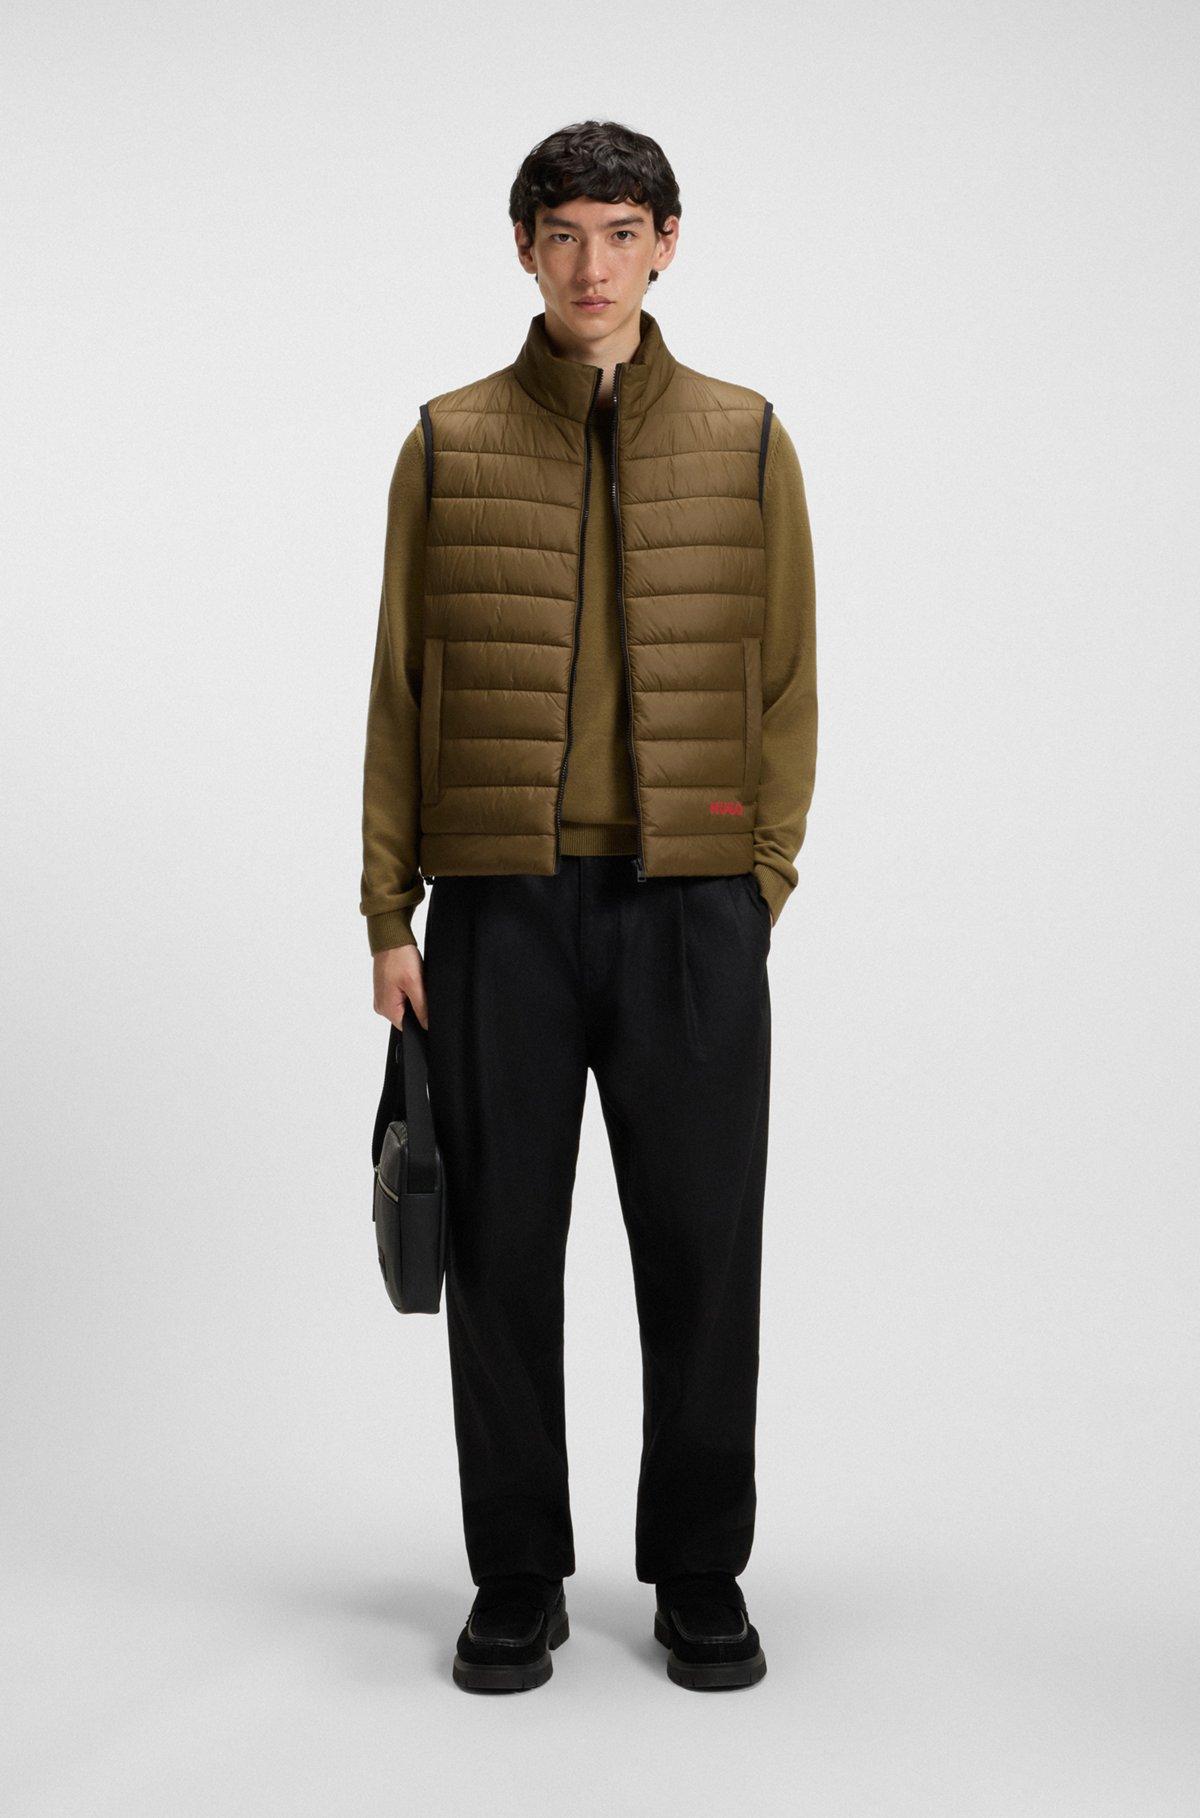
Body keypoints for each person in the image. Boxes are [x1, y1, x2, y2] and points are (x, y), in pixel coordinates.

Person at [359, 119, 818, 1693]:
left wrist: (758, 880)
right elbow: (401, 687)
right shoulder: (449, 441)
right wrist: (389, 911)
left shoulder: (748, 439)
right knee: (499, 1251)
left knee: (703, 1248)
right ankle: (516, 1575)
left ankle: (699, 1568)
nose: (592, 266)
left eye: (621, 233)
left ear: (667, 243)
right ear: (524, 249)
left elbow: (785, 678)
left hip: (693, 908)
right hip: (500, 908)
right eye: (563, 234)